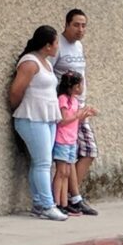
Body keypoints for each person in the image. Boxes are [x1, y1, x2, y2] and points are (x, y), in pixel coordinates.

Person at [9, 25, 66, 220]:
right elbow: (16, 91)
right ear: (47, 45)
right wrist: (18, 108)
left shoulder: (47, 63)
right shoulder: (30, 63)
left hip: (47, 117)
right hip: (31, 117)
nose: (58, 46)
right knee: (43, 163)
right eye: (56, 42)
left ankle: (39, 204)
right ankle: (48, 205)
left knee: (40, 163)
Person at [50, 9, 97, 215]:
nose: (80, 29)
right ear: (67, 24)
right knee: (71, 157)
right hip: (67, 109)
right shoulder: (58, 45)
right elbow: (49, 74)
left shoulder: (78, 46)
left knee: (87, 152)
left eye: (84, 25)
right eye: (76, 25)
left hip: (80, 106)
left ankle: (72, 196)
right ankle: (73, 197)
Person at [52, 72, 95, 213]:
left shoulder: (75, 101)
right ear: (72, 87)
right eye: (79, 85)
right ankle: (56, 202)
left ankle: (64, 203)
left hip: (71, 140)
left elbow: (75, 121)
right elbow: (64, 120)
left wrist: (84, 115)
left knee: (67, 172)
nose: (81, 87)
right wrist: (77, 114)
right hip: (62, 139)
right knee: (61, 172)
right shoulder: (63, 99)